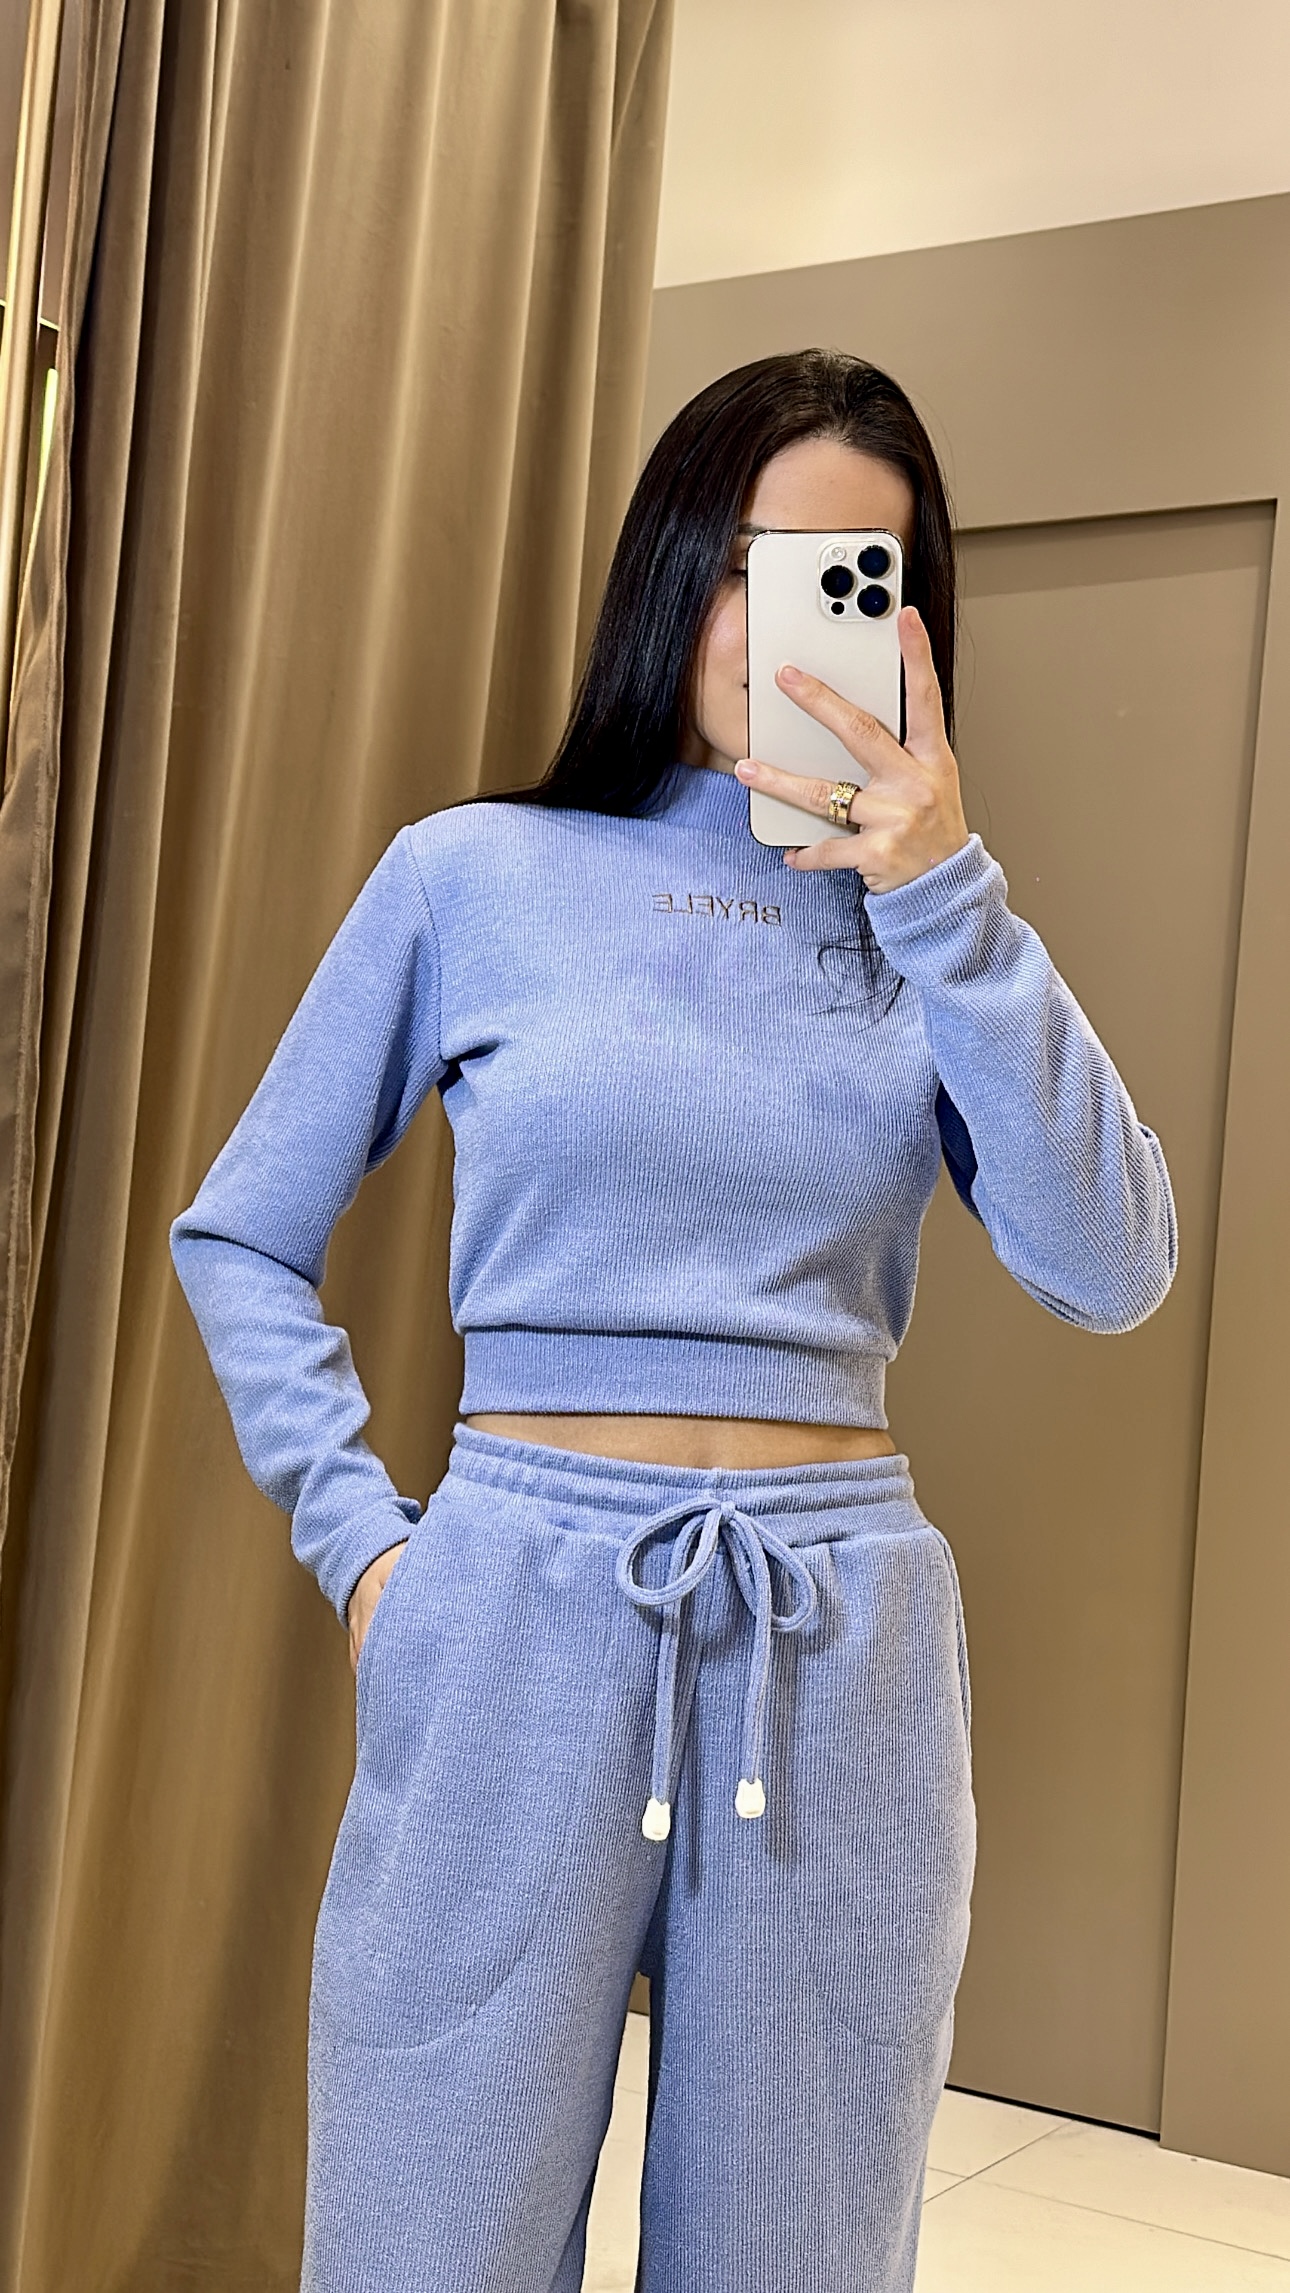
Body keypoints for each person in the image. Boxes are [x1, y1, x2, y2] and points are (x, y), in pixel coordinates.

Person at [171, 350, 1176, 2293]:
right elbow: (242, 1234)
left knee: (797, 2256)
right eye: (741, 563)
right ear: (665, 572)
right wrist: (373, 1558)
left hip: (837, 1642)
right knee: (426, 2245)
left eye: (849, 580)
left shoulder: (931, 925)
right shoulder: (474, 876)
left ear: (912, 626)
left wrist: (946, 893)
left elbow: (1112, 1262)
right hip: (514, 1611)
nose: (778, 623)